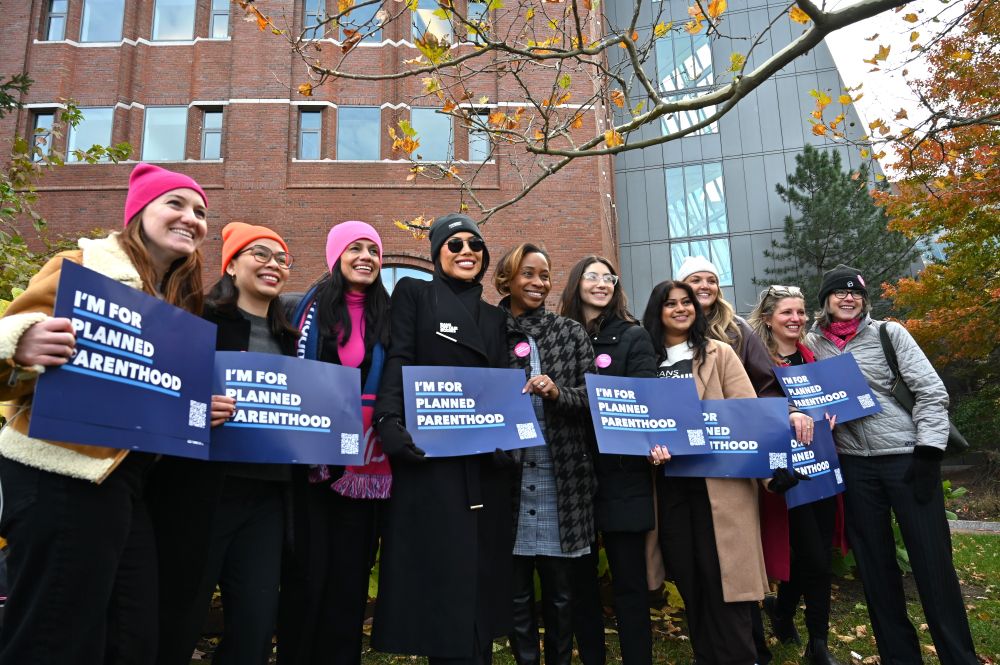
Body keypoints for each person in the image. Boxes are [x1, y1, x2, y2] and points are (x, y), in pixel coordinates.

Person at [0, 162, 209, 665]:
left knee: (131, 633)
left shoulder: (180, 305)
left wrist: (202, 410)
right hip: (58, 471)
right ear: (139, 213)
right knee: (54, 633)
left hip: (127, 484)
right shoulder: (82, 265)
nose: (192, 218)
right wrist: (20, 344)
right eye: (175, 204)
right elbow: (13, 340)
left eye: (201, 211)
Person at [805, 265, 978, 665]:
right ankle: (900, 658)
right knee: (877, 571)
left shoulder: (888, 333)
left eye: (856, 294)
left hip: (906, 458)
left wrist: (929, 453)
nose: (848, 299)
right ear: (825, 300)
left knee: (933, 565)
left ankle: (959, 656)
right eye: (839, 293)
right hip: (854, 466)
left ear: (864, 300)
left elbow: (932, 393)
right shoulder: (812, 343)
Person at [147, 222, 298, 665]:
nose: (273, 265)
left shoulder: (292, 337)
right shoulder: (195, 319)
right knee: (179, 615)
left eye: (281, 259)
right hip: (201, 489)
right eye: (260, 255)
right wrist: (193, 407)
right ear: (231, 264)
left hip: (268, 496)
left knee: (254, 622)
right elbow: (160, 389)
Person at [371, 213, 512, 665]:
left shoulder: (495, 318)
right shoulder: (415, 294)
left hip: (484, 461)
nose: (467, 251)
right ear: (436, 255)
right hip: (431, 458)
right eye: (455, 245)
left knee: (481, 577)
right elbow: (401, 355)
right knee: (444, 575)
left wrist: (509, 440)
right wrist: (388, 419)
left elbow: (502, 382)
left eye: (475, 245)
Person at [643, 280, 803, 665]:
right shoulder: (645, 360)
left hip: (720, 487)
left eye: (687, 303)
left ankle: (740, 657)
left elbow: (749, 415)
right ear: (657, 312)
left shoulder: (720, 353)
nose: (681, 309)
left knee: (727, 583)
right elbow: (638, 423)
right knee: (691, 581)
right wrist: (648, 449)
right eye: (671, 304)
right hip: (669, 488)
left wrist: (772, 472)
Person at [277, 221, 391, 665]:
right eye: (355, 248)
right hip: (310, 466)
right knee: (306, 574)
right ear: (335, 256)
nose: (365, 256)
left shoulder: (391, 314)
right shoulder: (297, 312)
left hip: (365, 466)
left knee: (349, 578)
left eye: (373, 250)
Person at [495, 244, 597, 665]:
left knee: (560, 592)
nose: (538, 283)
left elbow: (596, 398)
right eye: (528, 274)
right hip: (510, 479)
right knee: (516, 592)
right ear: (507, 280)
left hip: (562, 478)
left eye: (545, 275)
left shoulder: (569, 332)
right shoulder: (490, 330)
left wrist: (558, 392)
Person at [560, 256, 657, 665]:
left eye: (608, 278)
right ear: (576, 282)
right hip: (570, 475)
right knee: (580, 586)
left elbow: (647, 398)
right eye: (592, 276)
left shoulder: (634, 336)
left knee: (629, 582)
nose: (601, 284)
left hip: (622, 473)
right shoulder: (558, 333)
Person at [747, 285, 845, 665]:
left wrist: (833, 411)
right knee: (806, 555)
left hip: (820, 465)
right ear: (769, 318)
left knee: (817, 553)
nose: (796, 319)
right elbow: (749, 407)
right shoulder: (757, 359)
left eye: (801, 312)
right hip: (781, 472)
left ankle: (804, 630)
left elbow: (830, 399)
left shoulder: (812, 355)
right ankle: (797, 624)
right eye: (787, 312)